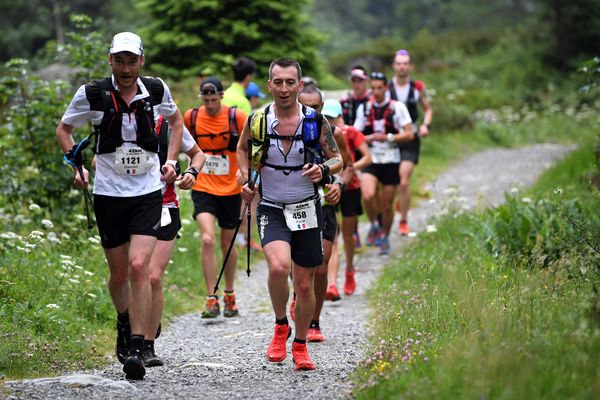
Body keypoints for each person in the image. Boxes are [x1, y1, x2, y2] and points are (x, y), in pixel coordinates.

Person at [56, 32, 184, 380]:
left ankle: (139, 346)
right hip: (109, 193)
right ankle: (124, 320)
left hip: (147, 190)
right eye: (120, 60)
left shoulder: (155, 90)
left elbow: (176, 121)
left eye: (132, 60)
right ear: (110, 61)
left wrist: (171, 161)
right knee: (119, 274)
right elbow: (64, 130)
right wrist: (77, 166)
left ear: (141, 61)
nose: (126, 68)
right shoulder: (93, 93)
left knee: (140, 266)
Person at [237, 58, 343, 370]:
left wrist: (323, 169)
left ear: (299, 85)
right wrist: (244, 179)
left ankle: (300, 345)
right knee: (279, 268)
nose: (284, 88)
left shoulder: (315, 120)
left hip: (308, 209)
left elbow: (337, 158)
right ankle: (280, 324)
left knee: (306, 285)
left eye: (290, 82)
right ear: (269, 85)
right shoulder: (257, 120)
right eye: (278, 82)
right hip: (271, 207)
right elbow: (242, 149)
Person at [142, 121, 205, 367]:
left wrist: (191, 172)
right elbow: (98, 160)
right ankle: (133, 320)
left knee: (154, 277)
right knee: (132, 274)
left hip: (165, 206)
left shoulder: (171, 126)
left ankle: (147, 345)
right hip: (129, 205)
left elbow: (197, 155)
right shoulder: (119, 118)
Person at [184, 76, 247, 319]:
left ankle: (229, 294)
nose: (210, 104)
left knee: (227, 244)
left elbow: (250, 146)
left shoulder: (236, 117)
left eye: (214, 99)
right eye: (206, 99)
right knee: (208, 239)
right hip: (203, 187)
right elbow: (180, 141)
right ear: (201, 98)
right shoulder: (191, 117)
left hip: (231, 189)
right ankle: (212, 297)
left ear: (221, 96)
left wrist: (246, 172)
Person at [297, 86, 353, 342]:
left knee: (320, 268)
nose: (310, 112)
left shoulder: (333, 133)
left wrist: (338, 184)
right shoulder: (284, 130)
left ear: (322, 108)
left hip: (324, 204)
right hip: (295, 204)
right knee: (296, 266)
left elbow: (347, 167)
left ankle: (315, 321)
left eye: (315, 108)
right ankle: (300, 297)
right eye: (305, 106)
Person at [354, 72, 413, 255]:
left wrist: (389, 137)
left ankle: (385, 237)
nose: (377, 91)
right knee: (368, 195)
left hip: (391, 160)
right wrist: (368, 138)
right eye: (374, 88)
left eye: (380, 88)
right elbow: (355, 134)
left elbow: (409, 134)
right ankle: (374, 224)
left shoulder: (397, 107)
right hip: (372, 159)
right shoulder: (364, 108)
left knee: (387, 204)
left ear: (386, 88)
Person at [321, 99, 371, 299]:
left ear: (340, 116)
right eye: (327, 117)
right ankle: (332, 284)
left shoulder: (350, 133)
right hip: (330, 187)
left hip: (351, 188)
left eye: (333, 117)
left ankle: (349, 271)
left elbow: (368, 157)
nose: (331, 121)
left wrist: (349, 168)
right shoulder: (321, 134)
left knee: (348, 236)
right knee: (332, 236)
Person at [388, 49, 433, 235]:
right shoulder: (386, 87)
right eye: (399, 63)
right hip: (390, 139)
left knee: (404, 181)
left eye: (405, 63)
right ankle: (388, 212)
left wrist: (425, 125)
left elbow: (428, 109)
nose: (402, 67)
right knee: (390, 184)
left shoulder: (417, 87)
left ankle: (403, 221)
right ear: (394, 66)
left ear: (410, 66)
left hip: (411, 137)